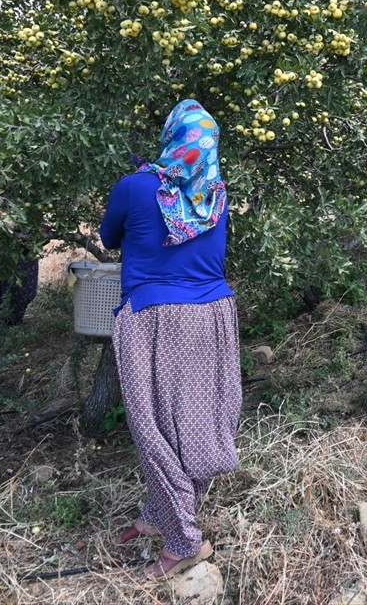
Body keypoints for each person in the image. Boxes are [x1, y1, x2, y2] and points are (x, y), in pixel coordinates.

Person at [99, 98, 241, 581]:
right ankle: (160, 514)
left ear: (171, 137)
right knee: (192, 429)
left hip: (154, 317)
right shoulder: (216, 195)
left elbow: (108, 238)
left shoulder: (136, 187)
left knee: (152, 430)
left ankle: (185, 542)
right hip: (213, 317)